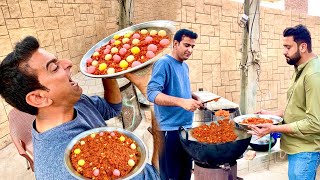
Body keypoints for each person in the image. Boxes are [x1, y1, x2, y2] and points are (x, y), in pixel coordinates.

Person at [0, 36, 160, 179]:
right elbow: (159, 175)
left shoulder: (72, 102)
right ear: (39, 97)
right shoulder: (71, 168)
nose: (68, 63)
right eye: (54, 68)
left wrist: (106, 71)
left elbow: (112, 107)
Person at [248, 24, 320, 180]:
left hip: (305, 151)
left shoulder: (314, 74)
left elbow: (315, 123)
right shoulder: (301, 68)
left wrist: (274, 128)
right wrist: (272, 115)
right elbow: (298, 108)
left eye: (288, 47)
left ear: (303, 47)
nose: (284, 51)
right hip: (297, 149)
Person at [146, 29, 203, 180]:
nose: (190, 50)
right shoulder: (163, 63)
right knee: (170, 177)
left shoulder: (184, 66)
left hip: (186, 128)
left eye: (192, 46)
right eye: (186, 45)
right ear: (175, 43)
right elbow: (152, 93)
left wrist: (193, 97)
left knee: (185, 175)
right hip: (169, 131)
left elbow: (178, 90)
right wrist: (182, 102)